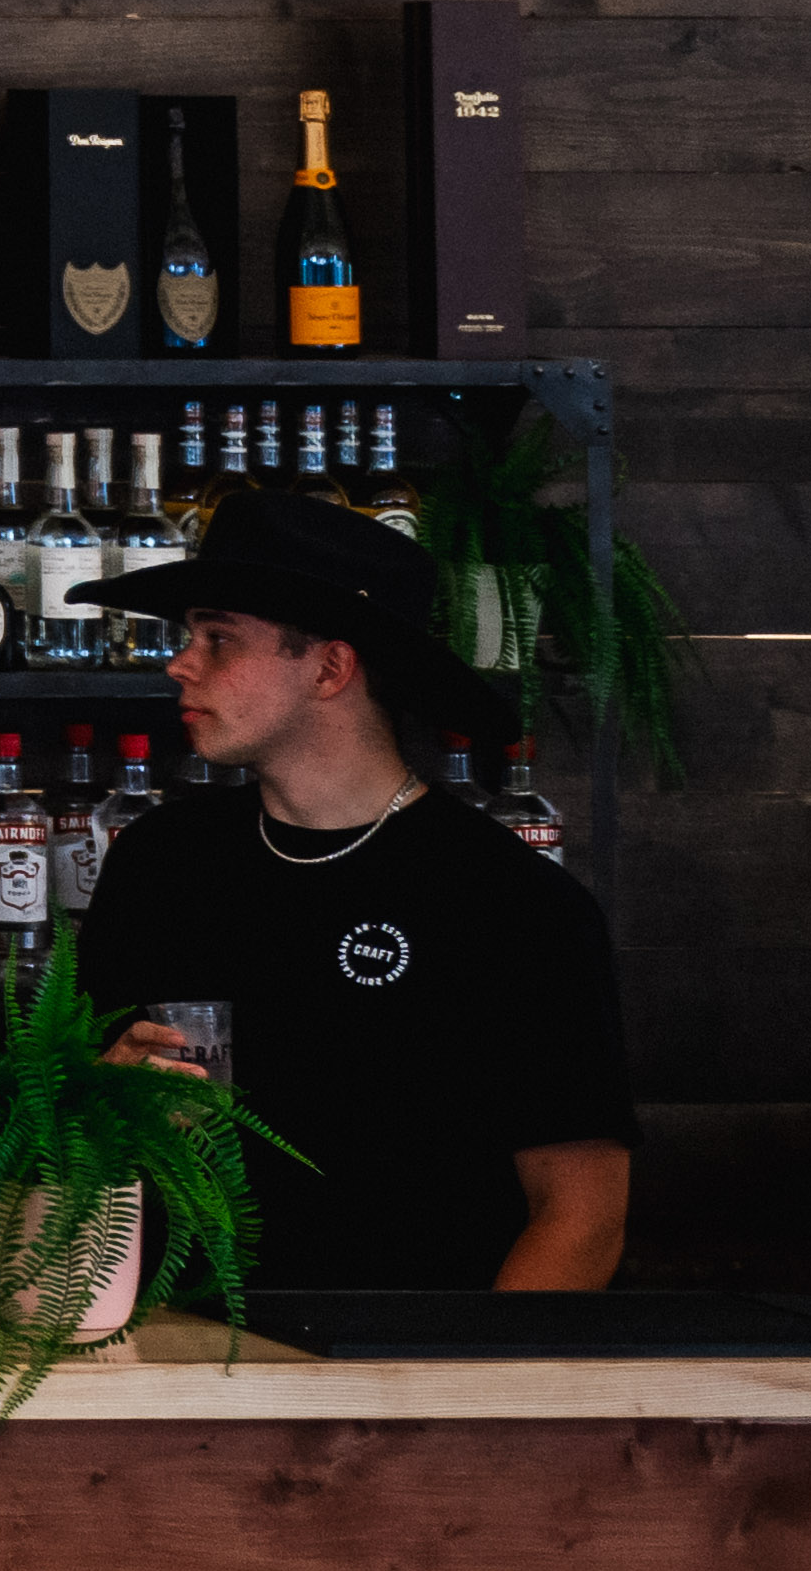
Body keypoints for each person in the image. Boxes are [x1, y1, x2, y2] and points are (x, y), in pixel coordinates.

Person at [78, 483, 629, 1294]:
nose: (178, 663)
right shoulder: (161, 859)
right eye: (186, 635)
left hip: (407, 1378)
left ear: (331, 666)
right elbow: (56, 1133)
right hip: (170, 1360)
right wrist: (102, 1094)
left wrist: (463, 1406)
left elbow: (580, 1221)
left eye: (218, 639)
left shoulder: (508, 901)